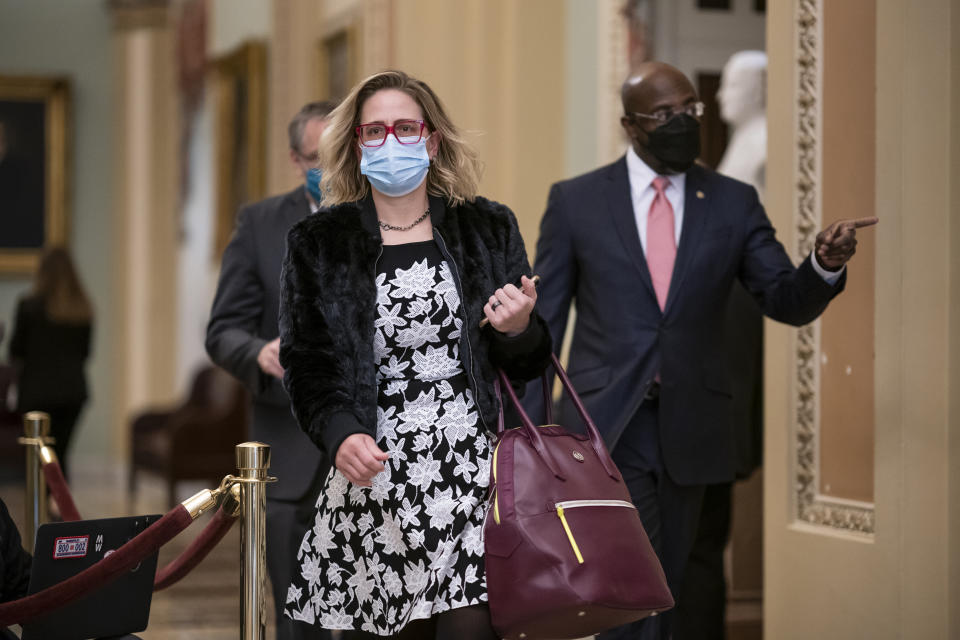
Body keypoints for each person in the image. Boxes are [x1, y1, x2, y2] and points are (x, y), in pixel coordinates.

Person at [525, 61, 877, 640]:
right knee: (631, 579)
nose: (682, 122)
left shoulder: (733, 202)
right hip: (608, 423)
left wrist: (825, 265)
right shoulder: (576, 201)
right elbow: (548, 320)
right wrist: (536, 430)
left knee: (681, 580)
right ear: (630, 125)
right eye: (664, 114)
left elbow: (784, 298)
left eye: (689, 110)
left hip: (696, 422)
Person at [278, 70, 551, 639]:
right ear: (356, 144)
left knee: (471, 628)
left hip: (472, 474)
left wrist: (519, 328)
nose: (390, 141)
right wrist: (340, 434)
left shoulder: (487, 226)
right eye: (374, 130)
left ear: (431, 139)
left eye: (405, 127)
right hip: (373, 473)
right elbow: (307, 360)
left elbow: (526, 362)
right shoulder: (319, 241)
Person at [206, 101, 337, 640]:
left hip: (379, 451)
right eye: (315, 159)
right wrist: (259, 352)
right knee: (296, 619)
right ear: (294, 157)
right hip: (289, 450)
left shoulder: (392, 215)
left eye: (340, 157)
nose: (328, 172)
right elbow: (222, 330)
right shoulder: (259, 224)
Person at [674, 50, 769, 640]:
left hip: (725, 367)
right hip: (665, 412)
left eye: (738, 83)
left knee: (704, 545)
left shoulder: (756, 156)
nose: (726, 95)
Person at [8, 247, 93, 480]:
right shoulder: (82, 309)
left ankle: (39, 510)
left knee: (38, 459)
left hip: (37, 393)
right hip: (72, 394)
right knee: (61, 455)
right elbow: (86, 353)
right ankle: (59, 509)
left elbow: (16, 350)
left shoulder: (29, 307)